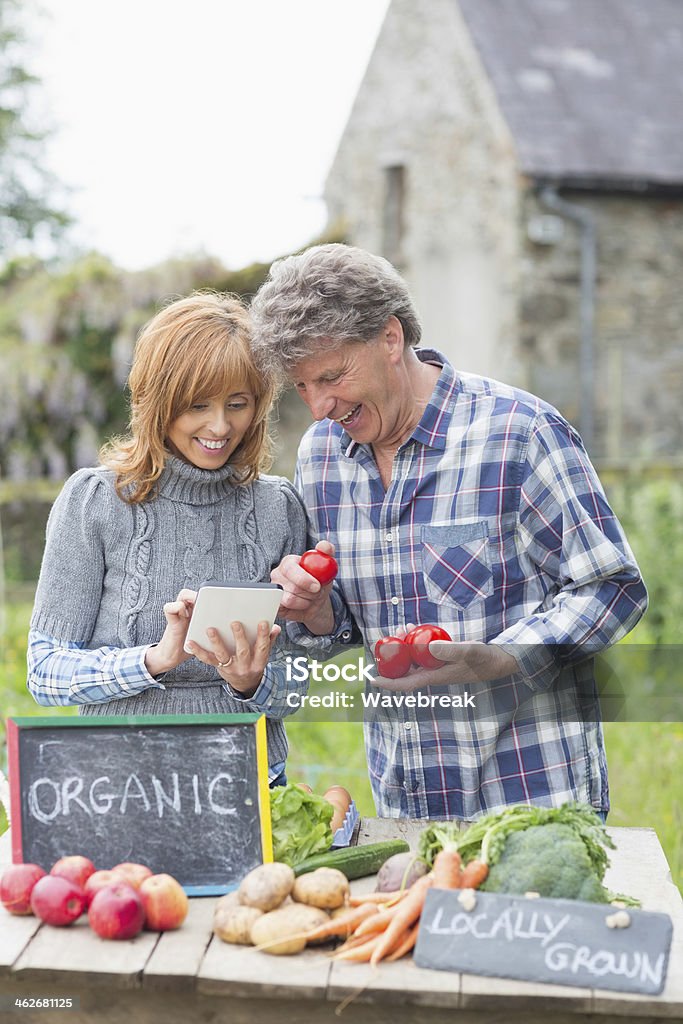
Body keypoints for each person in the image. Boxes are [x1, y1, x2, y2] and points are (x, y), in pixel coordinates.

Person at [250, 243, 648, 818]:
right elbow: (357, 622)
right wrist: (316, 611)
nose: (318, 407)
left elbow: (611, 588)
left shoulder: (519, 432)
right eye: (303, 387)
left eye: (331, 377)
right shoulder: (321, 458)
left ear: (391, 339)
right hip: (405, 804)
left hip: (531, 800)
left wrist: (502, 659)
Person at [27, 291, 333, 786]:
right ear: (158, 401)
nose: (220, 426)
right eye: (198, 406)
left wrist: (249, 682)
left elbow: (298, 684)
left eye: (238, 404)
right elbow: (45, 674)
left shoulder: (278, 507)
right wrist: (154, 660)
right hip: (120, 783)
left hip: (245, 779)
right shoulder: (94, 501)